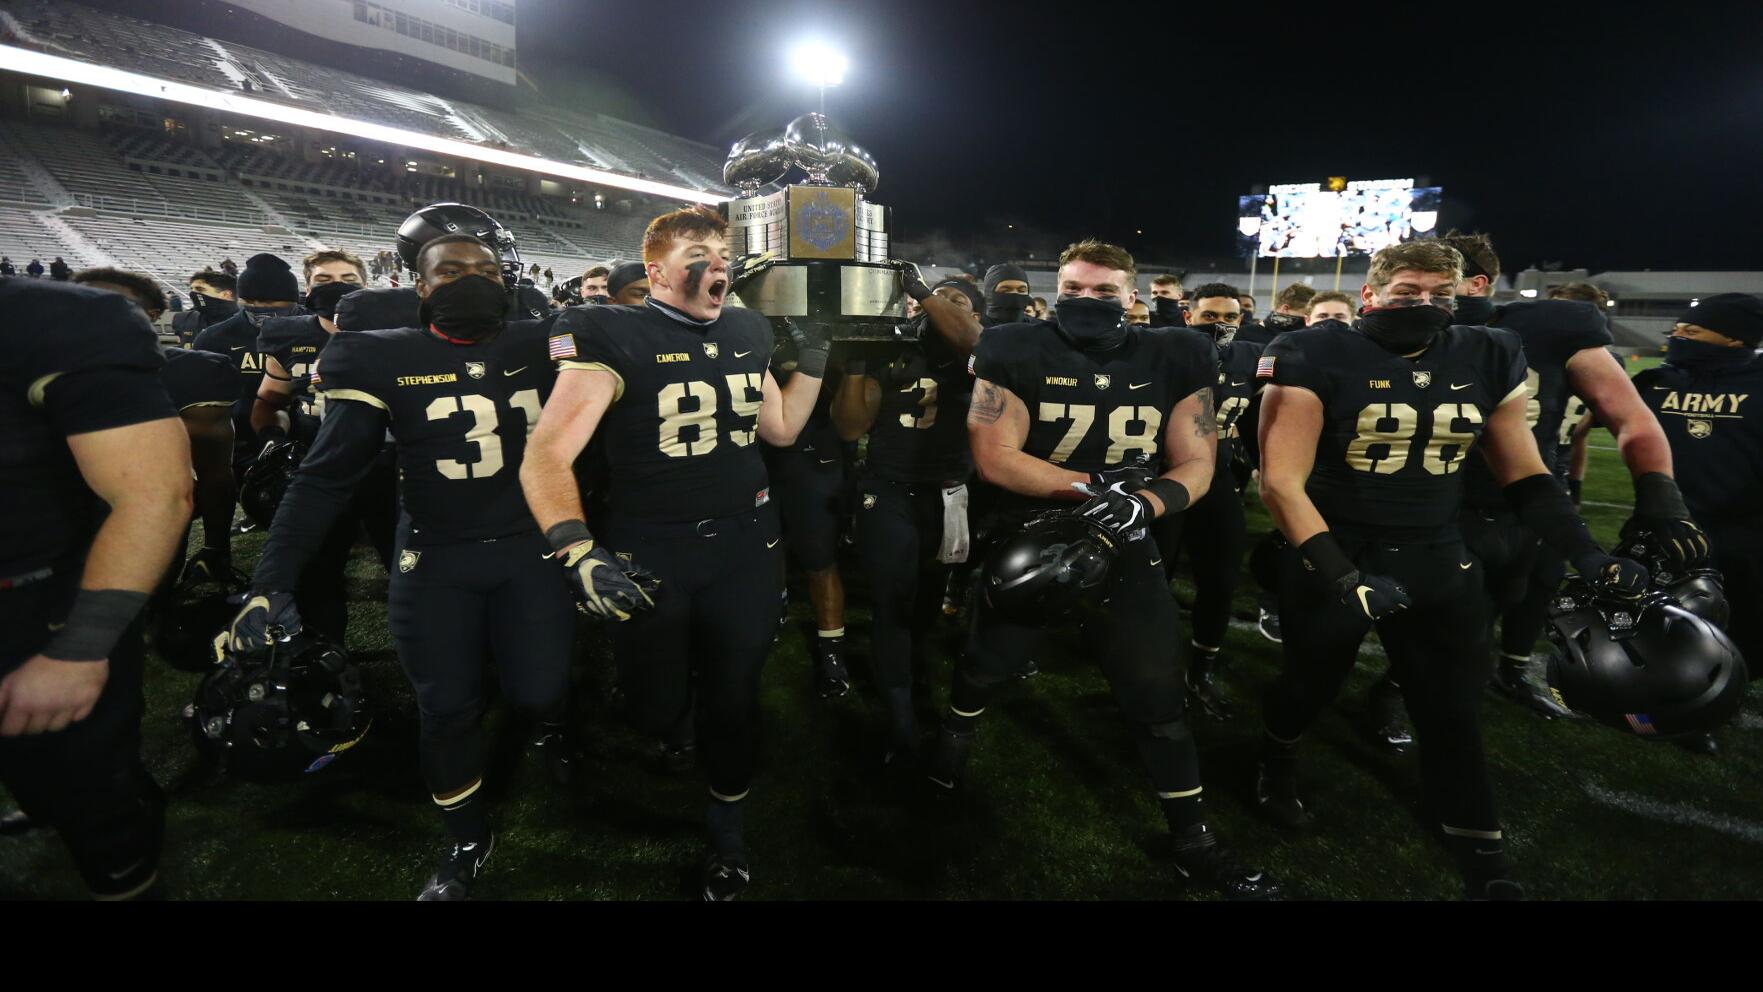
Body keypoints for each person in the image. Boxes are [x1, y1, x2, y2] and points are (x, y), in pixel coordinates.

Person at [1253, 240, 1648, 898]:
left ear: (1463, 295)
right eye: (1409, 292)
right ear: (1370, 296)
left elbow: (1523, 472)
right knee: (1309, 681)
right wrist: (1342, 578)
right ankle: (1276, 754)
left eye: (1441, 294)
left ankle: (1478, 844)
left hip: (1439, 550)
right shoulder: (1314, 350)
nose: (1426, 305)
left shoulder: (1486, 353)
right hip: (1336, 548)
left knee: (1450, 706)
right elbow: (1280, 484)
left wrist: (1587, 553)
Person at [219, 234, 576, 901]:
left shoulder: (546, 340)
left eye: (486, 270)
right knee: (445, 705)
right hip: (436, 554)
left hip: (530, 548)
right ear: (417, 286)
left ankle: (550, 724)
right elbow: (323, 480)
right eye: (451, 271)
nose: (472, 280)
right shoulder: (378, 353)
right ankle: (465, 837)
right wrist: (271, 581)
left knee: (536, 689)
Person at [928, 239, 1278, 899]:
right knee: (990, 659)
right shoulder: (1012, 345)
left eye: (1103, 291)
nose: (1086, 301)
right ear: (1055, 288)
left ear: (1133, 298)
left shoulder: (1177, 351)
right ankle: (954, 734)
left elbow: (1196, 461)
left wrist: (1146, 501)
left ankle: (1192, 838)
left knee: (1155, 692)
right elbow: (997, 457)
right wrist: (1094, 488)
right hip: (1034, 527)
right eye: (1074, 288)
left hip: (1125, 533)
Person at [521, 206, 829, 900]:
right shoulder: (605, 329)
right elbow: (547, 452)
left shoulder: (749, 327)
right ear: (654, 269)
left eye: (723, 249)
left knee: (735, 696)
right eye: (698, 249)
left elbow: (778, 430)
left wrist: (813, 361)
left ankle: (726, 832)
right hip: (653, 544)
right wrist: (576, 549)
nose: (717, 260)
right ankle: (670, 726)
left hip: (744, 544)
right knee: (655, 703)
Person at [1, 278, 194, 899]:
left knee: (90, 788)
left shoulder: (48, 321)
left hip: (37, 604)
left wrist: (80, 647)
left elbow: (156, 494)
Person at [831, 272, 982, 763]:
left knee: (927, 600)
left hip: (947, 494)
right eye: (939, 298)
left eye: (956, 300)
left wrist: (924, 291)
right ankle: (900, 713)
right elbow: (852, 426)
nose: (942, 306)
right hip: (888, 491)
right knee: (893, 604)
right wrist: (855, 363)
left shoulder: (981, 352)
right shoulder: (890, 348)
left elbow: (969, 339)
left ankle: (912, 670)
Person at [72, 268, 236, 580]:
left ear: (150, 315)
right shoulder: (28, 367)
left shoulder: (191, 372)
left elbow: (214, 474)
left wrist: (216, 545)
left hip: (134, 520)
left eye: (107, 302)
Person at [1633, 294, 1763, 683]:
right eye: (1675, 331)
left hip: (1743, 533)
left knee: (1738, 622)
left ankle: (1716, 696)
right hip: (1661, 522)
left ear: (1735, 339)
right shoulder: (1656, 381)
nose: (1678, 338)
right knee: (1646, 618)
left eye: (1691, 331)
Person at [1156, 283, 1263, 720]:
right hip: (1163, 476)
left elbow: (1258, 416)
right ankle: (1151, 663)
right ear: (1188, 317)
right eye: (1209, 317)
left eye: (1229, 317)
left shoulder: (1254, 357)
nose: (1220, 325)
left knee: (1220, 577)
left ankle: (1200, 669)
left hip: (1216, 478)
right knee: (1153, 576)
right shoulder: (1162, 351)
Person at [194, 253, 304, 474]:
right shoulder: (215, 337)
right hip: (241, 445)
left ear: (293, 300)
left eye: (270, 302)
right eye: (250, 302)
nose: (259, 307)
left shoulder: (316, 331)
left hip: (306, 439)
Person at [172, 268, 239, 346]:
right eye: (192, 289)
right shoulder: (184, 319)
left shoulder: (249, 322)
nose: (193, 293)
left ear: (225, 294)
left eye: (200, 289)